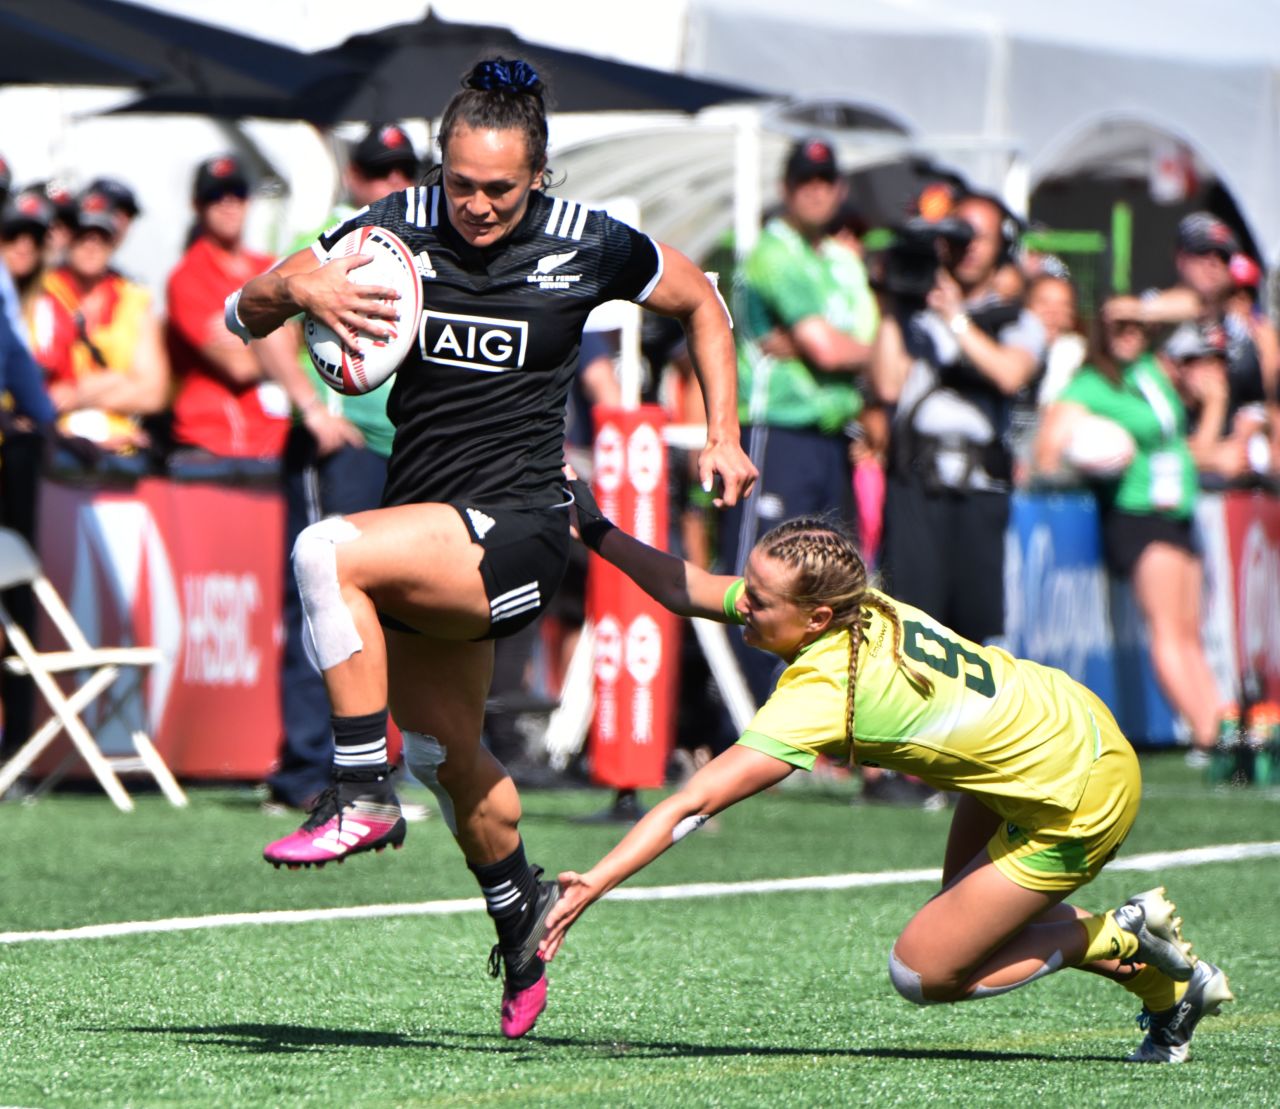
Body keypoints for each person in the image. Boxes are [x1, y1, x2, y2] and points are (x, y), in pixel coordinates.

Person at [227, 57, 756, 1038]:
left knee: (322, 551)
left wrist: (722, 430)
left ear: (537, 175)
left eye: (498, 188)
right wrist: (293, 283)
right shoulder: (389, 227)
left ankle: (354, 789)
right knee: (446, 752)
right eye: (461, 182)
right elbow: (241, 315)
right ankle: (521, 910)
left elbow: (700, 304)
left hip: (517, 527)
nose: (475, 204)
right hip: (424, 522)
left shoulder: (585, 243)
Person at [541, 485, 1234, 1065]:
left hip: (1080, 794)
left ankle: (1120, 930)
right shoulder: (851, 601)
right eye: (746, 587)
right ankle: (1168, 993)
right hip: (1063, 725)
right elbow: (679, 585)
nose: (740, 604)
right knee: (967, 917)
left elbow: (692, 801)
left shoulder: (821, 692)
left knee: (926, 970)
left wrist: (594, 882)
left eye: (757, 599)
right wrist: (594, 525)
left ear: (815, 618)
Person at [265, 122, 423, 814]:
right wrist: (309, 406)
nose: (390, 183)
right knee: (320, 604)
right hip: (346, 445)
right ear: (353, 176)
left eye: (401, 170)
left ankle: (389, 766)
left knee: (400, 614)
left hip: (411, 448)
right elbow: (262, 309)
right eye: (377, 170)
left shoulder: (422, 242)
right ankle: (303, 771)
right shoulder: (332, 237)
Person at [719, 136, 877, 739]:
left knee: (831, 587)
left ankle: (816, 728)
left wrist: (841, 352)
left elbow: (860, 349)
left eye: (826, 179)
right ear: (786, 189)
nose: (817, 190)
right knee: (760, 582)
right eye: (805, 180)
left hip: (826, 436)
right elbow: (837, 347)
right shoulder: (774, 254)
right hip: (775, 434)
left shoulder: (833, 259)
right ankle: (738, 724)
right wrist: (841, 352)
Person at [1035, 296, 1229, 765]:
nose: (1129, 332)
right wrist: (1089, 455)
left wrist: (1143, 311)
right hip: (1138, 514)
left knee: (1189, 631)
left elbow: (1201, 306)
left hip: (1175, 511)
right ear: (1101, 329)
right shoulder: (1091, 384)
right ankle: (1206, 735)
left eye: (1137, 325)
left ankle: (1223, 730)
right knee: (1168, 630)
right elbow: (1046, 453)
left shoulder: (1147, 372)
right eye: (1118, 324)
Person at [870, 190, 1045, 646]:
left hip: (978, 492)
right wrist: (892, 303)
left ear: (1000, 247)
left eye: (978, 237)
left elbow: (1010, 374)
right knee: (909, 631)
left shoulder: (1015, 321)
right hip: (916, 488)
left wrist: (955, 317)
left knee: (970, 643)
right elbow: (888, 385)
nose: (966, 247)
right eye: (957, 235)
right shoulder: (915, 318)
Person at [166, 155, 294, 468]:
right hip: (212, 445)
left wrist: (243, 330)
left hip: (277, 441)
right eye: (215, 196)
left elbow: (298, 342)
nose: (228, 204)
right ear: (197, 206)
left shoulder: (270, 267)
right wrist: (276, 339)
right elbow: (236, 366)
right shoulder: (186, 277)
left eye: (237, 193)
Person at [29, 189, 168, 463]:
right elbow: (40, 391)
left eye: (102, 236)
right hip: (55, 441)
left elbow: (153, 393)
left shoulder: (134, 299)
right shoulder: (41, 293)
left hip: (122, 445)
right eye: (83, 235)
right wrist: (121, 380)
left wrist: (79, 393)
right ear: (69, 237)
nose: (92, 245)